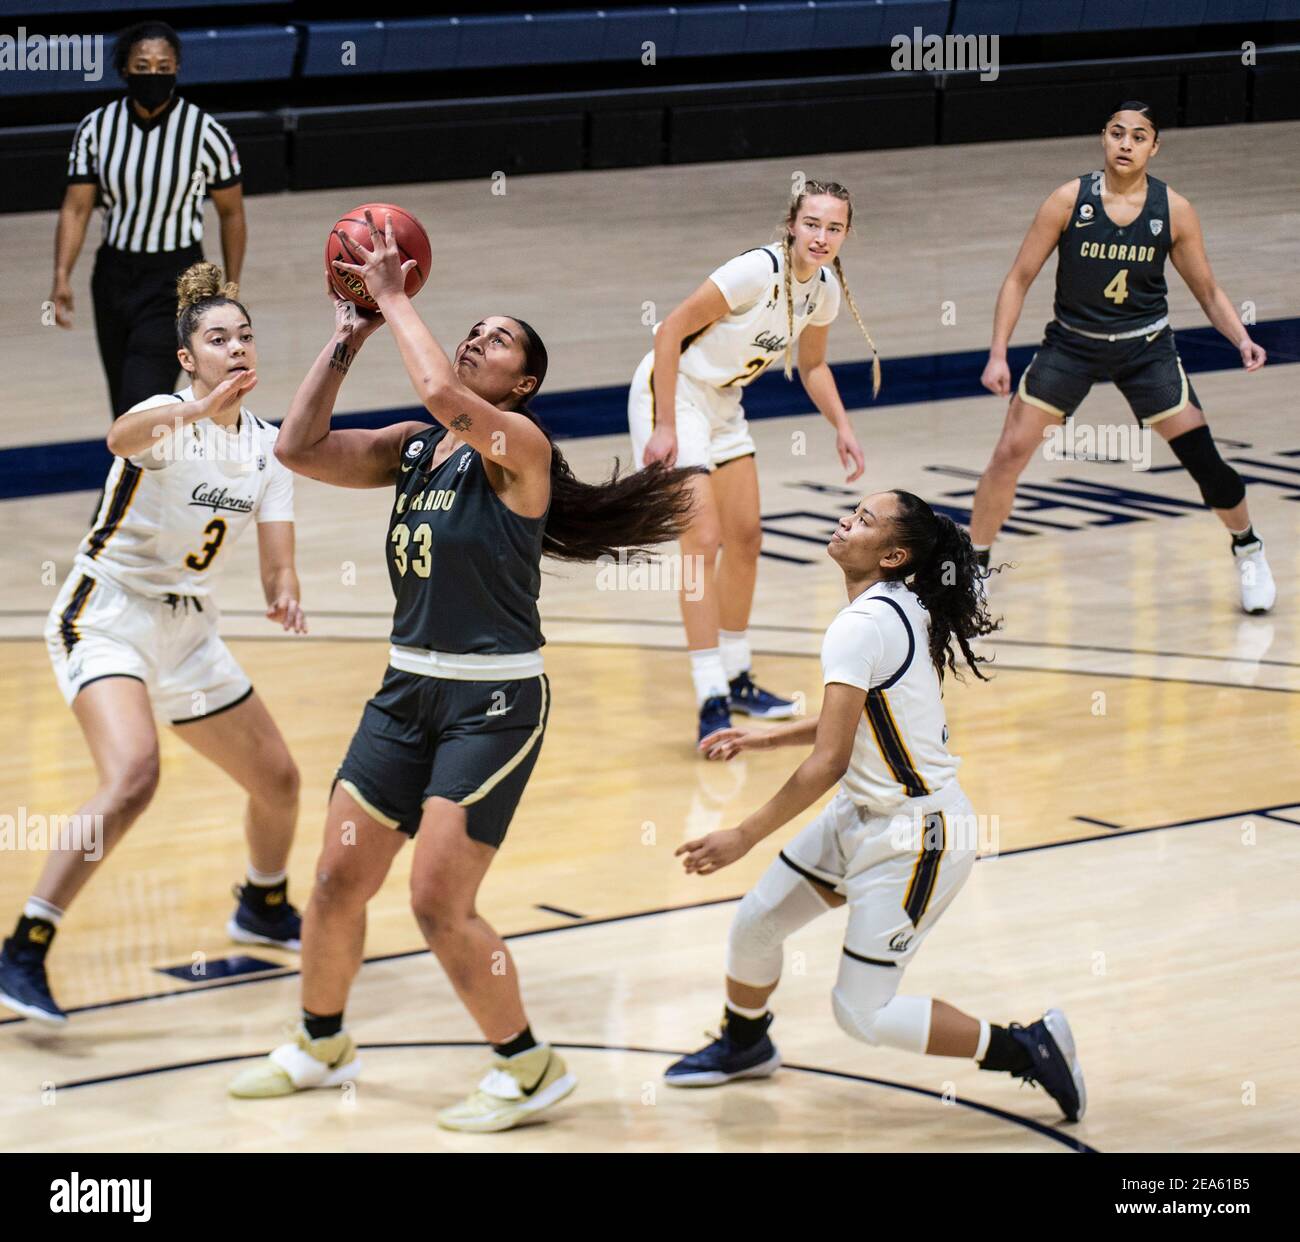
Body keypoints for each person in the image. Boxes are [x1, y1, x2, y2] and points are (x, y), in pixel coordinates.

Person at [229, 212, 695, 1133]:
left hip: (493, 700)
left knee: (438, 902)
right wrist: (347, 336)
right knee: (333, 882)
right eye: (475, 326)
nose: (480, 336)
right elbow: (295, 447)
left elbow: (442, 385)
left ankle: (529, 1068)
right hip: (404, 692)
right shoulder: (414, 448)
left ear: (519, 384)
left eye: (499, 340)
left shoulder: (516, 447)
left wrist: (396, 296)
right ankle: (320, 1040)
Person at [666, 491, 1086, 1125]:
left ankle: (1026, 1046)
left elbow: (830, 761)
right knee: (756, 924)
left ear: (893, 555)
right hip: (864, 813)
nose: (846, 520)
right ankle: (747, 1043)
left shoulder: (862, 624)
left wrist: (743, 836)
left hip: (917, 836)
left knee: (862, 1014)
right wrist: (767, 735)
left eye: (864, 521)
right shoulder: (897, 604)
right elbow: (860, 716)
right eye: (852, 511)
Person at [0, 264, 306, 1026]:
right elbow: (118, 436)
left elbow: (277, 558)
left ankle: (263, 904)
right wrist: (196, 409)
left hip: (190, 628)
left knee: (279, 781)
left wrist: (285, 592)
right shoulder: (169, 416)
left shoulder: (268, 448)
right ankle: (23, 948)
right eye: (217, 338)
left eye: (244, 336)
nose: (235, 348)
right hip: (107, 614)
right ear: (187, 356)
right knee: (136, 773)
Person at [968, 101, 1274, 614]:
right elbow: (1019, 278)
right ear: (1103, 139)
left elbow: (1208, 291)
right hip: (1072, 344)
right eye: (1117, 133)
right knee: (1008, 454)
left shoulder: (1174, 210)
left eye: (1138, 136)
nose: (1126, 144)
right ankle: (973, 567)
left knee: (1205, 461)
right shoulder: (1068, 200)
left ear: (1154, 147)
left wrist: (1241, 337)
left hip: (1145, 349)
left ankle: (1248, 547)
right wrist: (998, 353)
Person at [628, 179, 876, 745]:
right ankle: (710, 692)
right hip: (673, 392)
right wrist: (665, 424)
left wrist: (842, 425)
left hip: (721, 405)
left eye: (833, 227)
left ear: (845, 234)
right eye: (812, 224)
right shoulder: (753, 272)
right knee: (702, 540)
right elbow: (668, 333)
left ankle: (738, 677)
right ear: (792, 224)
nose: (821, 236)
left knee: (745, 537)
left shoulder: (825, 289)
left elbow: (812, 366)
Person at [54, 21, 246, 418]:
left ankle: (129, 477)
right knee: (123, 401)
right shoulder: (96, 128)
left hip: (177, 280)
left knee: (141, 402)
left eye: (164, 66)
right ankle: (147, 473)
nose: (153, 75)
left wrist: (231, 284)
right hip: (113, 275)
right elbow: (76, 207)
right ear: (124, 70)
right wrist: (61, 276)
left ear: (177, 69)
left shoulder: (206, 132)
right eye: (143, 67)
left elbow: (232, 213)